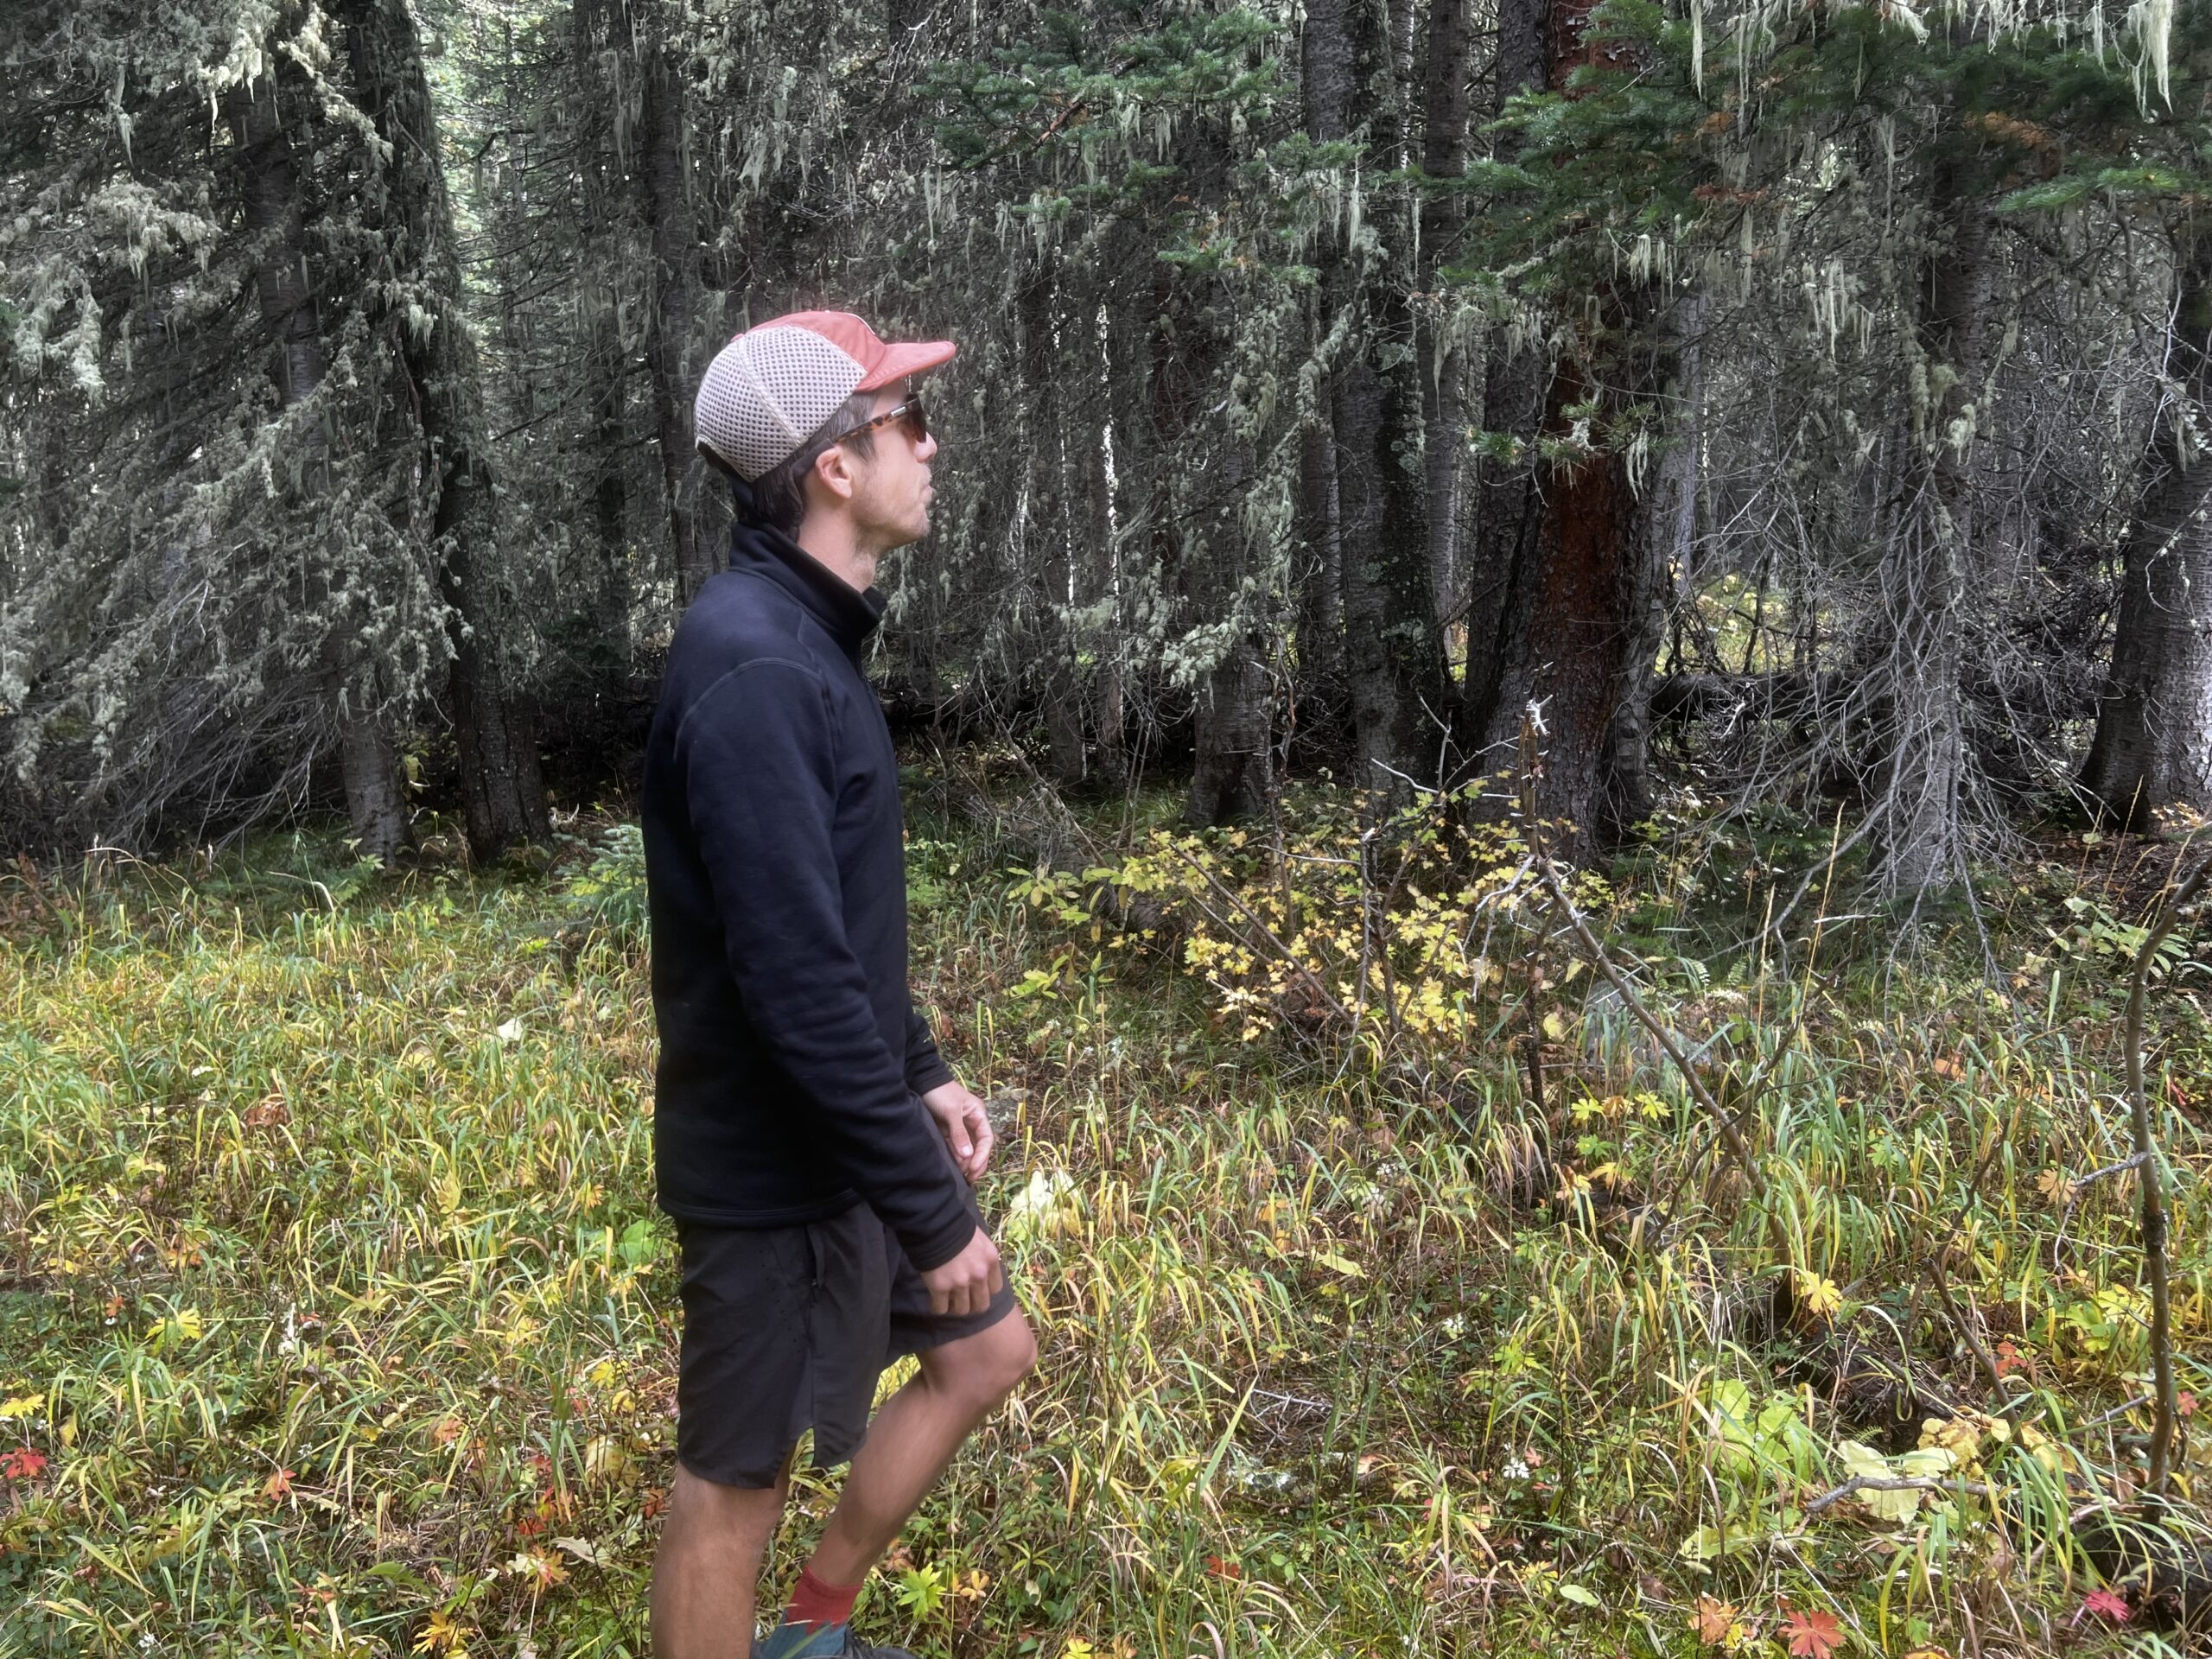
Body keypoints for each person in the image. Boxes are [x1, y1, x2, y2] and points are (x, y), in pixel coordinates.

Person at [641, 310, 1035, 1659]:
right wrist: (933, 1215)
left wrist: (920, 1065)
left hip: (846, 1142)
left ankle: (812, 1630)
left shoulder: (806, 641)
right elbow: (795, 988)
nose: (931, 445)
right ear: (835, 468)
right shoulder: (755, 666)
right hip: (770, 1177)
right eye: (904, 423)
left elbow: (832, 930)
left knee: (986, 1351)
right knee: (730, 1493)